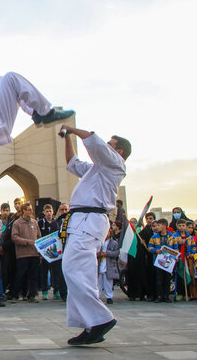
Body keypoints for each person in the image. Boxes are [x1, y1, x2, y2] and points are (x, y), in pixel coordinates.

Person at [58, 124, 130, 346]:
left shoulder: (115, 164)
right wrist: (67, 138)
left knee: (71, 267)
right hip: (82, 220)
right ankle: (90, 325)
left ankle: (100, 319)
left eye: (111, 145)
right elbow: (71, 162)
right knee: (83, 273)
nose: (106, 147)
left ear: (118, 152)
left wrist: (70, 127)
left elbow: (92, 139)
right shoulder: (96, 169)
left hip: (90, 219)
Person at [10, 202, 41, 303]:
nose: (31, 211)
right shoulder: (17, 223)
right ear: (24, 210)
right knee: (20, 275)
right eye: (29, 209)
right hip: (23, 254)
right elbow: (14, 237)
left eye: (31, 209)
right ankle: (15, 295)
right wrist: (26, 241)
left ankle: (31, 295)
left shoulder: (34, 222)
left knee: (33, 275)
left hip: (34, 253)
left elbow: (39, 236)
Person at [147, 219, 177, 303]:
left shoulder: (172, 237)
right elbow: (149, 247)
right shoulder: (154, 237)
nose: (157, 227)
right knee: (159, 279)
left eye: (159, 225)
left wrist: (176, 256)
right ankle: (159, 295)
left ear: (164, 226)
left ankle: (166, 295)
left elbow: (175, 247)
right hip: (158, 261)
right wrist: (155, 251)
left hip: (168, 261)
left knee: (167, 279)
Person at [173, 219, 196, 301]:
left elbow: (193, 246)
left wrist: (192, 253)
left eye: (183, 225)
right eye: (180, 226)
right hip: (179, 258)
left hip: (188, 258)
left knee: (188, 275)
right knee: (179, 276)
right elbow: (172, 245)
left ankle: (189, 293)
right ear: (177, 226)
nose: (182, 227)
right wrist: (178, 243)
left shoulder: (189, 237)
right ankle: (180, 293)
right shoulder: (174, 236)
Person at [97, 228, 119, 304]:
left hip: (108, 265)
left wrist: (107, 253)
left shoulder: (114, 243)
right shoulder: (98, 242)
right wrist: (100, 254)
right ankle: (97, 296)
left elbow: (116, 253)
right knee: (98, 282)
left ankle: (109, 296)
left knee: (108, 282)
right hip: (99, 265)